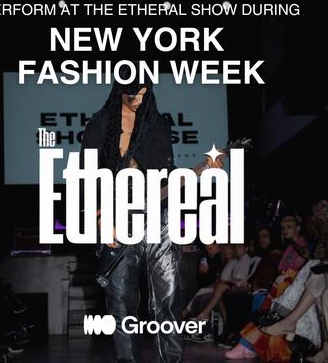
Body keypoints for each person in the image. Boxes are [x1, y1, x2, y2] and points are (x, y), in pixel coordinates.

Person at [80, 63, 223, 363]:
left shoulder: (158, 125)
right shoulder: (99, 126)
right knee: (121, 301)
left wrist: (204, 170)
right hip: (117, 217)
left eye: (145, 93)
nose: (140, 99)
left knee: (168, 297)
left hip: (158, 218)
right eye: (135, 92)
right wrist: (101, 218)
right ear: (121, 90)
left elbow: (168, 176)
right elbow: (87, 176)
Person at [225, 212, 309, 361]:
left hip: (296, 288)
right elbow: (281, 270)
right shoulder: (288, 248)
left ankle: (248, 344)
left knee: (265, 299)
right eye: (283, 228)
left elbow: (302, 265)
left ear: (298, 228)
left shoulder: (303, 245)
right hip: (283, 287)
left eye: (289, 227)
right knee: (259, 297)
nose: (285, 230)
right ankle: (249, 344)